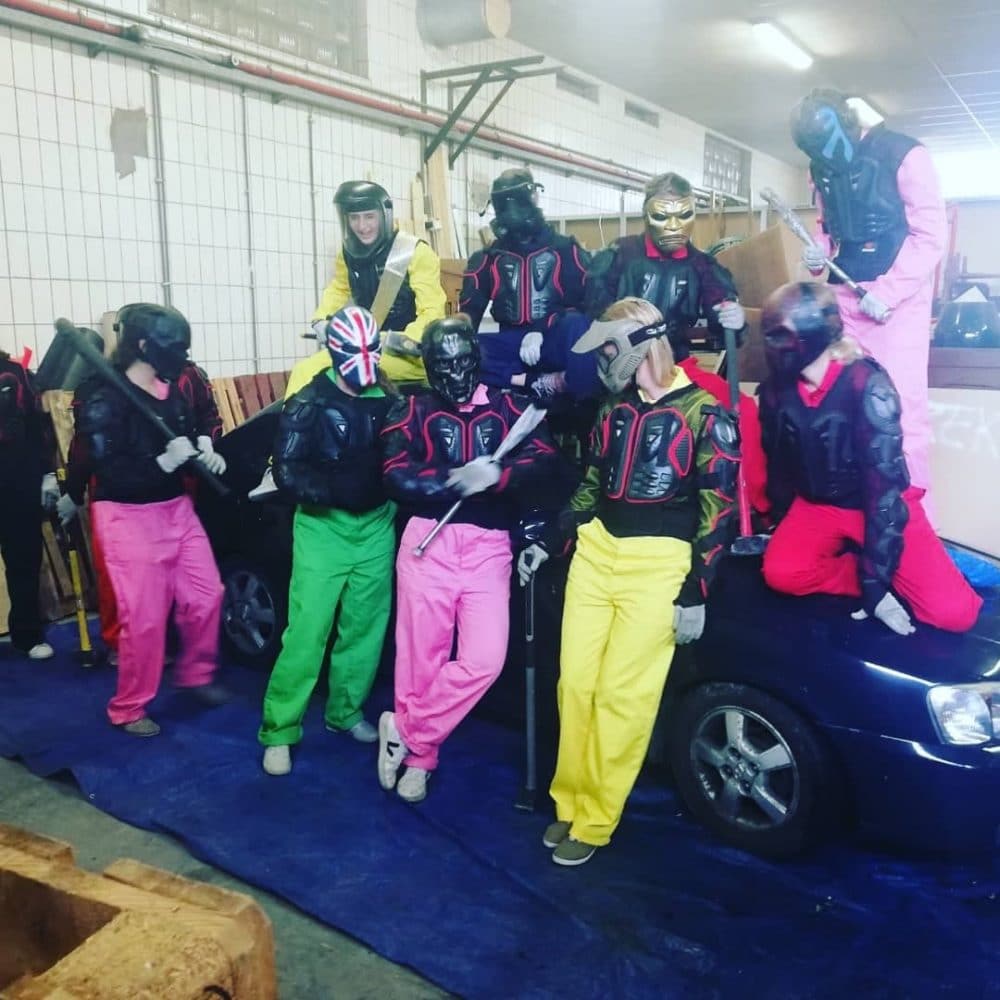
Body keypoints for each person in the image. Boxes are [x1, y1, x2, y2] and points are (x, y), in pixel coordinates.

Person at [518, 297, 739, 866]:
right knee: (575, 686)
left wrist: (697, 590)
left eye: (607, 348)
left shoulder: (705, 414)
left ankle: (595, 819)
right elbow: (593, 485)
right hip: (596, 555)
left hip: (658, 565)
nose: (601, 361)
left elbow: (718, 510)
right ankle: (569, 802)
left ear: (637, 344)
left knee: (623, 698)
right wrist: (553, 538)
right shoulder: (612, 410)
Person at [377, 315, 558, 803]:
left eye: (463, 363)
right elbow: (394, 472)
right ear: (428, 366)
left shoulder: (509, 407)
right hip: (427, 544)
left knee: (483, 659)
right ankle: (420, 760)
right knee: (421, 660)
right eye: (443, 365)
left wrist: (497, 475)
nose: (455, 375)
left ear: (476, 360)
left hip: (488, 547)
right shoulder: (410, 409)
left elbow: (544, 459)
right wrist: (455, 479)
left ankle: (406, 731)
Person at [757, 282, 981, 634]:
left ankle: (889, 572)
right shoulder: (775, 391)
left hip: (880, 503)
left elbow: (884, 491)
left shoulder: (866, 384)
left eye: (781, 335)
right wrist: (780, 526)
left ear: (816, 334)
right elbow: (779, 467)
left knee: (954, 614)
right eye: (768, 336)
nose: (772, 347)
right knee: (782, 573)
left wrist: (876, 586)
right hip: (818, 505)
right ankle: (861, 568)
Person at [66, 303, 226, 735]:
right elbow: (110, 471)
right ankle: (128, 707)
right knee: (145, 621)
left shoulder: (170, 389)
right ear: (142, 345)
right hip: (127, 517)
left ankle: (195, 674)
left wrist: (203, 447)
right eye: (175, 347)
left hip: (175, 508)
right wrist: (163, 462)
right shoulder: (103, 398)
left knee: (206, 595)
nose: (182, 356)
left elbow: (188, 430)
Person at [791, 89, 946, 510]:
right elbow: (828, 226)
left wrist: (889, 291)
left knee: (901, 412)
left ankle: (913, 520)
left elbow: (931, 236)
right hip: (842, 299)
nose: (825, 154)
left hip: (898, 305)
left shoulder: (904, 155)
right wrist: (819, 251)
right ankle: (853, 513)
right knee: (841, 405)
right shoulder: (819, 170)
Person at [258, 306, 397, 776]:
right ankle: (280, 729)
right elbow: (287, 470)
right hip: (323, 529)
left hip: (376, 527)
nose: (366, 360)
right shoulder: (308, 401)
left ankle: (345, 711)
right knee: (307, 632)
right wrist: (337, 491)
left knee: (365, 628)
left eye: (372, 350)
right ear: (335, 353)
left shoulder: (389, 399)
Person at [583, 171, 765, 512]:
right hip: (618, 363)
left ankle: (748, 504)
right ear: (647, 212)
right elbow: (593, 312)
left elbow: (723, 311)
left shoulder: (703, 266)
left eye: (683, 215)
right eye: (662, 215)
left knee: (741, 410)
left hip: (675, 366)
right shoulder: (619, 255)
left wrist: (733, 318)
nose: (672, 226)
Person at [63, 357, 225, 666]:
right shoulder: (102, 385)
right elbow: (87, 444)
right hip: (121, 492)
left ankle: (169, 640)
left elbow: (206, 413)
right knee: (121, 573)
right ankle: (123, 643)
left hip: (175, 485)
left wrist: (206, 440)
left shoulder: (185, 374)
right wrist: (74, 488)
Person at [289, 181, 447, 397]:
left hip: (413, 357)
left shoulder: (416, 252)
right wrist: (321, 320)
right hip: (368, 350)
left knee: (306, 371)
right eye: (354, 218)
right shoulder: (348, 255)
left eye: (369, 217)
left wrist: (399, 340)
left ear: (384, 215)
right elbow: (338, 288)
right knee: (317, 376)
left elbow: (432, 312)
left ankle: (295, 422)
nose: (362, 226)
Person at [460, 167, 596, 399]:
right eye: (504, 203)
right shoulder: (488, 258)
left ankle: (576, 396)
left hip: (553, 338)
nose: (512, 210)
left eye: (518, 200)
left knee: (578, 326)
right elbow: (469, 313)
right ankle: (532, 382)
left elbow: (582, 303)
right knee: (460, 350)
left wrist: (539, 330)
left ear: (534, 196)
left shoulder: (566, 249)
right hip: (511, 342)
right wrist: (449, 335)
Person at [0, 349, 55, 660]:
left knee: (24, 561)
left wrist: (47, 472)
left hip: (18, 481)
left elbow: (37, 424)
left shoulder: (14, 373)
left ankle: (27, 635)